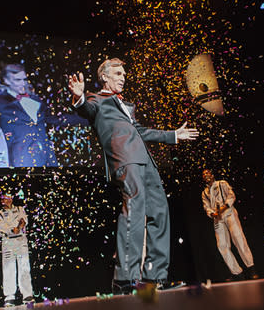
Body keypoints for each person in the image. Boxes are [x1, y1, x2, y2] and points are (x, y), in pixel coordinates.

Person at [67, 58, 199, 293]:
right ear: (105, 77)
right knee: (135, 208)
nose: (123, 76)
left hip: (146, 161)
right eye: (117, 73)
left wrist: (173, 135)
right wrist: (78, 97)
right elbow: (85, 109)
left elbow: (139, 131)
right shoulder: (96, 100)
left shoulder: (126, 105)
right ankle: (124, 277)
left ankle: (154, 277)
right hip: (125, 159)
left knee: (159, 212)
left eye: (124, 73)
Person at [0, 63, 87, 167]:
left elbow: (57, 119)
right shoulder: (0, 102)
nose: (22, 83)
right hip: (22, 161)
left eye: (24, 79)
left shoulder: (36, 100)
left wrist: (89, 119)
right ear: (7, 80)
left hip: (48, 159)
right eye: (17, 80)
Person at [201, 169, 258, 281]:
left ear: (212, 175)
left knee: (238, 239)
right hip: (217, 218)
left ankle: (251, 268)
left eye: (207, 173)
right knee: (222, 245)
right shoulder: (204, 192)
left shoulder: (222, 183)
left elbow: (231, 196)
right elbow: (206, 206)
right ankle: (237, 272)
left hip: (228, 213)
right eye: (203, 174)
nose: (206, 175)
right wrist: (212, 213)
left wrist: (223, 208)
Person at [0, 193, 34, 307]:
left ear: (11, 199)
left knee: (24, 267)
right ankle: (9, 296)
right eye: (2, 199)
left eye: (6, 198)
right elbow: (2, 226)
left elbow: (24, 220)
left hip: (21, 240)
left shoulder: (20, 209)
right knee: (8, 268)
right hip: (8, 242)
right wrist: (13, 229)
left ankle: (27, 294)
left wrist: (20, 226)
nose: (4, 201)